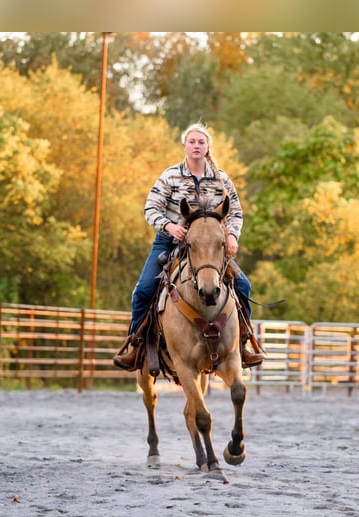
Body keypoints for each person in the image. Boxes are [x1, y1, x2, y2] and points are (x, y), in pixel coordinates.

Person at [113, 122, 264, 371]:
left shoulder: (221, 179)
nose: (196, 146)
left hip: (210, 246)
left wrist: (232, 236)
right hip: (170, 241)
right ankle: (135, 345)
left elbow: (235, 211)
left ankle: (244, 345)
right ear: (184, 146)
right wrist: (168, 226)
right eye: (192, 141)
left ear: (207, 148)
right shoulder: (170, 175)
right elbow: (150, 207)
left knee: (243, 284)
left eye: (201, 142)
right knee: (143, 290)